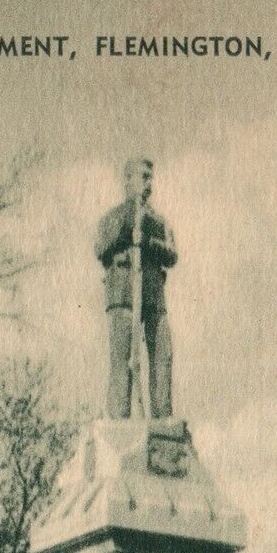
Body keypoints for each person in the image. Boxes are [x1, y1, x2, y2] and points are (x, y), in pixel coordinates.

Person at [95, 156, 176, 419]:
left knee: (162, 352)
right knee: (122, 356)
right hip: (122, 293)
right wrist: (128, 227)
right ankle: (119, 417)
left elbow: (172, 254)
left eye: (150, 177)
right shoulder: (114, 216)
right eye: (143, 176)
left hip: (152, 292)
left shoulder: (159, 221)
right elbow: (100, 247)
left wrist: (150, 242)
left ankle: (162, 416)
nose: (148, 183)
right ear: (128, 180)